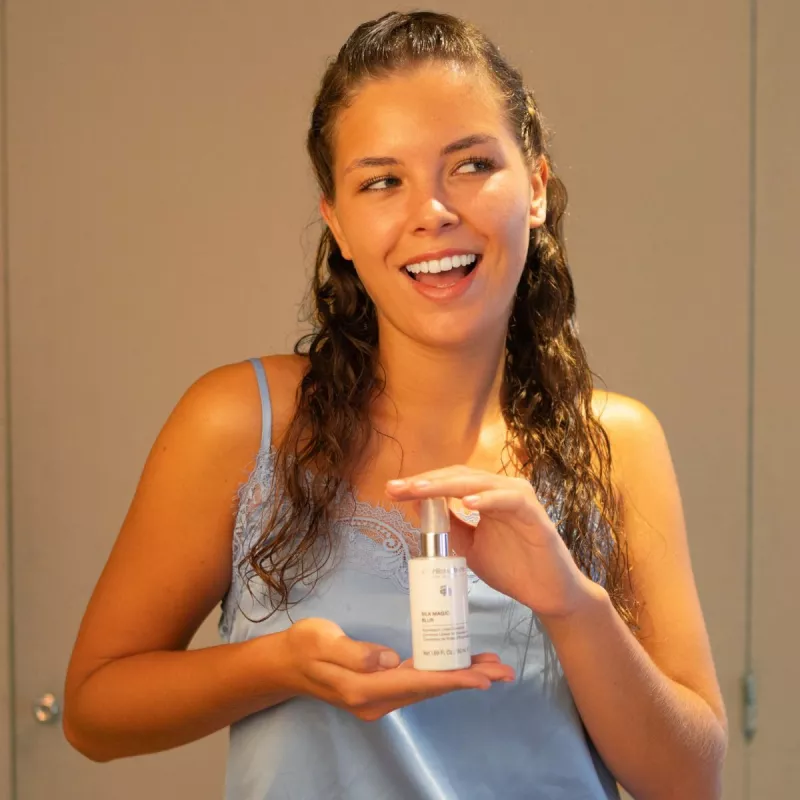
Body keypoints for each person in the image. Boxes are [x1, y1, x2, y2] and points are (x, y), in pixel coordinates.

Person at [64, 10, 727, 799]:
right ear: (338, 224)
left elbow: (690, 782)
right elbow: (94, 712)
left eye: (471, 164)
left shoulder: (618, 442)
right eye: (382, 181)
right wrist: (277, 667)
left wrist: (573, 605)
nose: (432, 211)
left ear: (535, 188)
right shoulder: (242, 422)